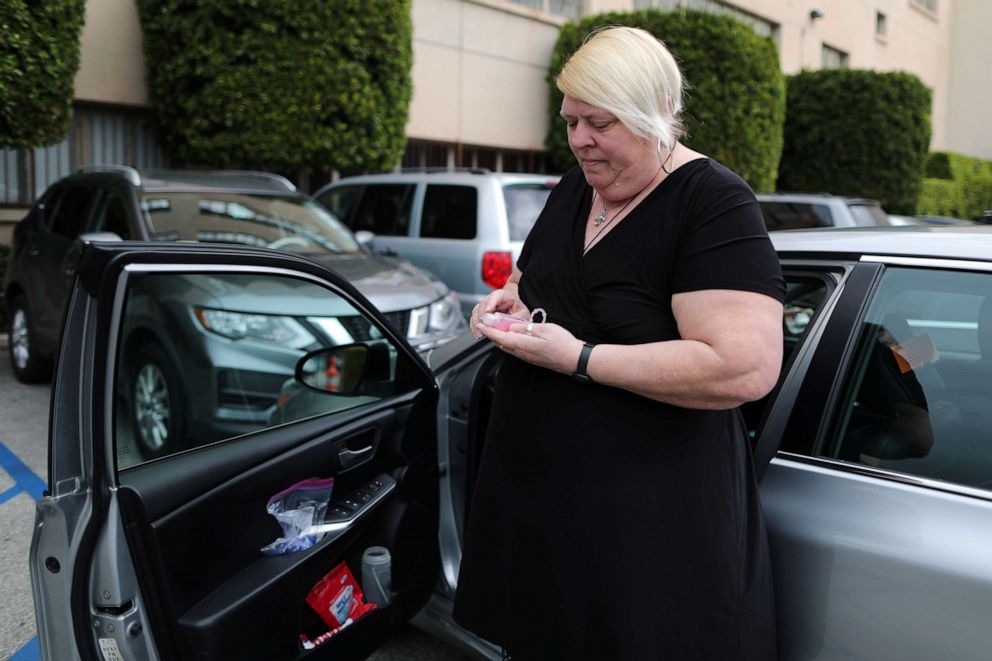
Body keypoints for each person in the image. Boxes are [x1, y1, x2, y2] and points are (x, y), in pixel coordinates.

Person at [451, 26, 785, 660]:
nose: (580, 140)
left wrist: (577, 358)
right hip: (543, 498)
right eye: (571, 121)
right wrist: (511, 301)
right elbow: (539, 276)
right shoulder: (580, 183)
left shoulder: (713, 203)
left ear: (655, 114)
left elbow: (742, 367)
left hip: (645, 517)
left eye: (599, 123)